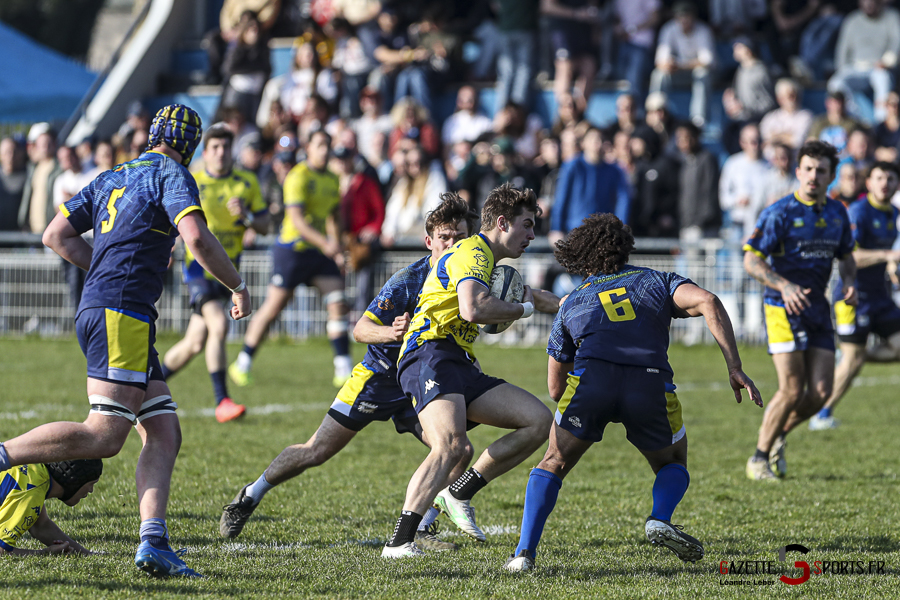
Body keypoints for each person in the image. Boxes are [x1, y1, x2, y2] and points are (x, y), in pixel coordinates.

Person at [0, 105, 252, 577]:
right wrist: (237, 285)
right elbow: (196, 238)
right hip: (122, 313)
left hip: (110, 309)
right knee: (105, 435)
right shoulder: (171, 173)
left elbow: (55, 235)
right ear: (190, 146)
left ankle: (153, 543)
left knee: (163, 431)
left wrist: (102, 271)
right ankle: (3, 456)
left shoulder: (112, 174)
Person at [503, 213, 762, 572]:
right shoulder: (657, 280)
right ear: (625, 248)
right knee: (672, 463)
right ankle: (659, 517)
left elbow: (554, 386)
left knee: (553, 462)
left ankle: (523, 554)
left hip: (591, 383)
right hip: (648, 383)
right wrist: (734, 367)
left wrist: (578, 412)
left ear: (581, 257)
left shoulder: (574, 301)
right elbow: (709, 301)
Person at [220, 195, 478, 550]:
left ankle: (420, 527)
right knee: (316, 451)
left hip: (419, 380)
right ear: (429, 241)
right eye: (445, 236)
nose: (453, 244)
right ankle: (250, 495)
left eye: (460, 236)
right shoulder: (409, 279)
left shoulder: (468, 278)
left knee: (457, 449)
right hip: (379, 378)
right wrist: (392, 333)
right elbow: (360, 329)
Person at [382, 183, 560, 558]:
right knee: (452, 445)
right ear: (501, 222)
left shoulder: (488, 261)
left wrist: (574, 305)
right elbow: (474, 309)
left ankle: (458, 491)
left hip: (458, 360)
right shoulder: (471, 250)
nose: (532, 235)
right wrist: (523, 311)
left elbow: (532, 296)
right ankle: (398, 543)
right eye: (527, 225)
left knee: (538, 421)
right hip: (427, 352)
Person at [742, 140, 856, 481]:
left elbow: (847, 256)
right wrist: (784, 285)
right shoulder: (779, 213)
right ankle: (758, 459)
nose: (813, 176)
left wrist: (850, 281)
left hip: (818, 308)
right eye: (807, 169)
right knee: (792, 389)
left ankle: (776, 436)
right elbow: (751, 259)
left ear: (831, 177)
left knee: (820, 394)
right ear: (798, 172)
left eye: (821, 171)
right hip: (781, 308)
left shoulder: (837, 214)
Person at [160, 123, 269, 423]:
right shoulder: (191, 181)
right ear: (205, 153)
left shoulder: (246, 182)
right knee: (219, 325)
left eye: (226, 148)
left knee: (195, 342)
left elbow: (265, 225)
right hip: (198, 270)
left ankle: (146, 384)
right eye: (215, 148)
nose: (221, 153)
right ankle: (222, 401)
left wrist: (246, 216)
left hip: (228, 272)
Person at [229, 130, 351, 388]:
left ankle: (343, 367)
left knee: (338, 300)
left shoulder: (332, 179)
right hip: (292, 250)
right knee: (273, 308)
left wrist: (337, 245)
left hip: (319, 250)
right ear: (308, 148)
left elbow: (335, 216)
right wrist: (327, 244)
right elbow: (297, 220)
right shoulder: (298, 176)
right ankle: (243, 363)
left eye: (328, 145)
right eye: (320, 144)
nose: (325, 150)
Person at [810, 161, 900, 430]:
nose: (885, 183)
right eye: (879, 177)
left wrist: (893, 267)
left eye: (891, 179)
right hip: (852, 297)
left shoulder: (893, 213)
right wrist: (888, 256)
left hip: (880, 297)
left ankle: (852, 354)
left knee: (875, 352)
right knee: (853, 360)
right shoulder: (858, 212)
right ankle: (821, 415)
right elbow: (850, 256)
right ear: (869, 183)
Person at [0, 459, 102, 556]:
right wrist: (44, 553)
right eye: (91, 484)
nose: (91, 490)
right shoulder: (33, 490)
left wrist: (86, 554)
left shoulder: (34, 470)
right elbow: (1, 551)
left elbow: (41, 526)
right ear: (75, 479)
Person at [550, 127, 631, 246]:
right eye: (593, 139)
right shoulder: (571, 167)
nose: (597, 144)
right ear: (583, 143)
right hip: (575, 232)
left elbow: (623, 199)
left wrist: (621, 228)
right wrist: (556, 228)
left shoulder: (614, 171)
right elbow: (561, 198)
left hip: (604, 235)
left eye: (601, 140)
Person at [649, 1, 715, 127]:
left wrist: (680, 65)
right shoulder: (669, 29)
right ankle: (655, 115)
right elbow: (659, 61)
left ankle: (698, 121)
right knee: (659, 74)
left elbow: (707, 61)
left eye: (687, 16)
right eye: (680, 16)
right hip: (677, 74)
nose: (684, 20)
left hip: (696, 74)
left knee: (702, 74)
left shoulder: (703, 30)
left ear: (693, 17)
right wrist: (668, 65)